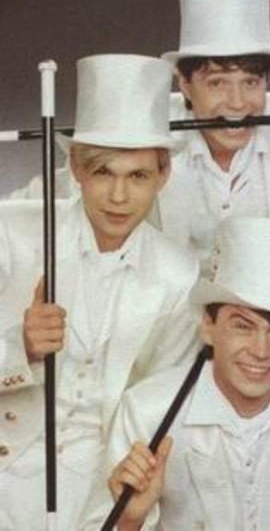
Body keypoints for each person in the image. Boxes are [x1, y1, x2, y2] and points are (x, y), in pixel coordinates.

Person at [0, 54, 200, 530]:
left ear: (163, 174)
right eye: (104, 172)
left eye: (138, 176)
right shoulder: (14, 234)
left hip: (101, 478)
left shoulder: (179, 274)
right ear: (75, 167)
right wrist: (20, 346)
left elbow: (161, 402)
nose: (118, 197)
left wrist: (125, 503)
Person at [81, 217, 270, 531]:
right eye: (242, 326)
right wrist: (130, 520)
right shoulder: (147, 410)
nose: (260, 351)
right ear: (208, 326)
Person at [158, 0, 270, 268]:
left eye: (251, 82)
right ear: (185, 84)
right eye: (217, 83)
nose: (237, 103)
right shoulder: (143, 129)